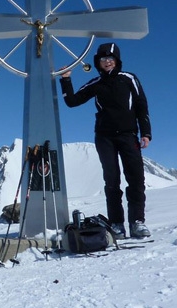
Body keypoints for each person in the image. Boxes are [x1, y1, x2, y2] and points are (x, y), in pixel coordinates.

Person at [59, 42, 152, 239]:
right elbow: (72, 101)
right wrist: (66, 80)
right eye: (103, 59)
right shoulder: (96, 84)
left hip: (128, 136)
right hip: (104, 137)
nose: (107, 62)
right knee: (112, 181)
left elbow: (141, 105)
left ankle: (137, 222)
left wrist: (146, 133)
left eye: (110, 58)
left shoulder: (129, 78)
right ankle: (117, 224)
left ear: (117, 61)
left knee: (136, 179)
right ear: (98, 63)